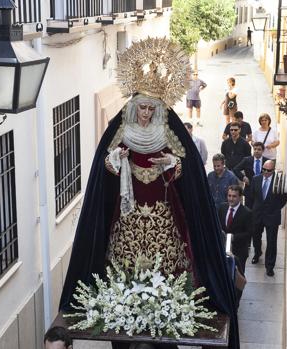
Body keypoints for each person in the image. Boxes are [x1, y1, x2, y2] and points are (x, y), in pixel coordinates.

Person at [59, 38, 240, 349]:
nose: (144, 113)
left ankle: (166, 308)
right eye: (140, 107)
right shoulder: (122, 130)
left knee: (168, 266)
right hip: (128, 219)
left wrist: (171, 162)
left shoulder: (169, 132)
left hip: (163, 219)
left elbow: (187, 172)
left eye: (149, 108)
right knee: (122, 268)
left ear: (157, 109)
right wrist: (115, 160)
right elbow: (107, 165)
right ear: (133, 107)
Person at [250, 160, 287, 276]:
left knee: (271, 242)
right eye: (264, 169)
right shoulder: (256, 179)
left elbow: (283, 199)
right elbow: (251, 196)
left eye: (268, 170)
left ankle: (270, 266)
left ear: (273, 170)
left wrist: (274, 209)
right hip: (257, 214)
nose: (265, 172)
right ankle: (257, 252)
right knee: (255, 236)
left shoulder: (279, 181)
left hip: (272, 216)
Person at [218, 185, 252, 275]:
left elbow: (249, 233)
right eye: (229, 196)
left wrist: (234, 237)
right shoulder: (222, 208)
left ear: (240, 197)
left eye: (234, 196)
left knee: (238, 277)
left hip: (239, 252)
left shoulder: (247, 213)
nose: (231, 199)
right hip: (222, 250)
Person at [233, 142, 269, 208]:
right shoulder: (247, 160)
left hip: (262, 191)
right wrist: (243, 177)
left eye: (259, 149)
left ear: (263, 151)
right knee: (249, 211)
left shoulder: (267, 161)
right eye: (255, 149)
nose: (256, 151)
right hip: (249, 191)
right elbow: (236, 169)